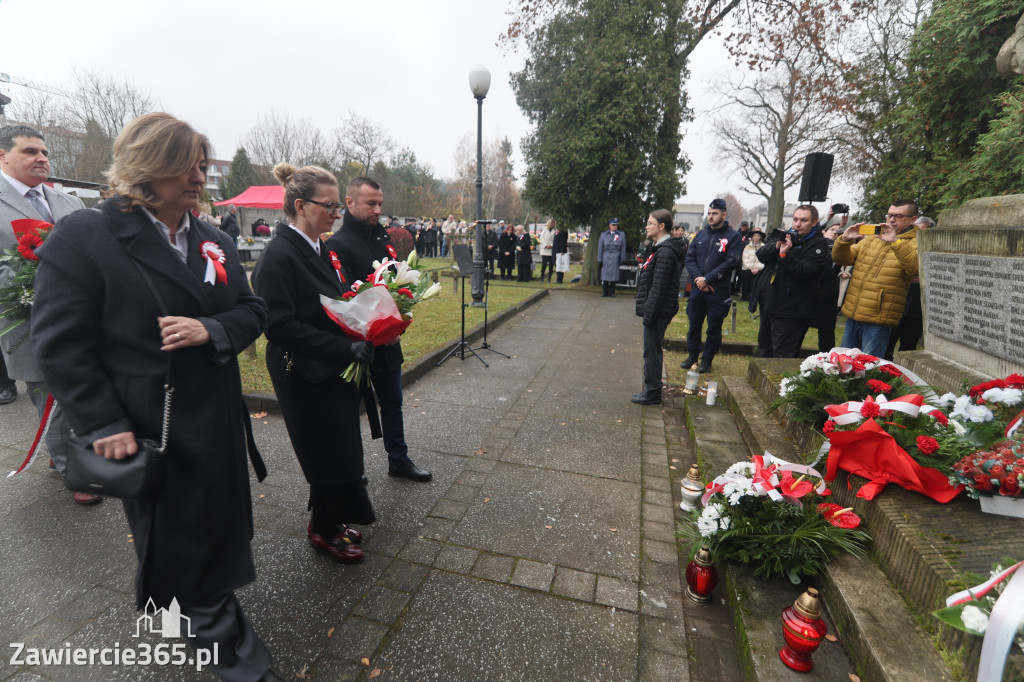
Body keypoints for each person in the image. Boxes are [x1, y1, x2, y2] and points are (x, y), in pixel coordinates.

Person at [30, 113, 280, 681]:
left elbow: (254, 310)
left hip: (215, 414)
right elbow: (60, 344)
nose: (198, 177)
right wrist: (101, 422)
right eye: (186, 164)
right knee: (182, 537)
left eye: (200, 164)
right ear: (148, 165)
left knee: (199, 527)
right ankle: (240, 661)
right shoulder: (87, 237)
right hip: (151, 420)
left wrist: (210, 330)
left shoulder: (213, 237)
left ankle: (172, 618)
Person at [253, 163, 375, 564]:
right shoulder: (279, 255)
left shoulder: (317, 246)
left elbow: (328, 302)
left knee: (340, 444)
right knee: (324, 448)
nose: (337, 213)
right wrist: (344, 349)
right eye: (331, 205)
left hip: (326, 364)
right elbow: (279, 326)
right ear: (301, 206)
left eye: (338, 205)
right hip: (303, 369)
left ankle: (332, 519)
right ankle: (323, 529)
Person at [0, 124, 95, 503]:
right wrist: (29, 274)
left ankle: (66, 455)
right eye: (29, 152)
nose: (41, 158)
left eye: (44, 152)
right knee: (49, 396)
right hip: (27, 319)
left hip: (83, 317)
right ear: (3, 155)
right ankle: (76, 472)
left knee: (81, 389)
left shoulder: (68, 202)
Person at [325, 178, 432, 482]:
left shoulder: (382, 237)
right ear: (349, 202)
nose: (378, 209)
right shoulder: (337, 244)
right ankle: (351, 471)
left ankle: (398, 459)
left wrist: (399, 320)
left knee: (393, 402)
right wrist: (375, 329)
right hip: (357, 344)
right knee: (348, 411)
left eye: (380, 203)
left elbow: (396, 284)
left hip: (388, 340)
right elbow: (344, 295)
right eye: (371, 203)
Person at [832, 199, 920, 357]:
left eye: (898, 216)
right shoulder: (874, 236)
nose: (891, 220)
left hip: (879, 317)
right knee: (843, 363)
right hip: (854, 311)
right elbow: (843, 259)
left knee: (868, 367)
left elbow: (914, 268)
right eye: (890, 215)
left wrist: (895, 242)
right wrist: (844, 241)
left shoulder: (917, 241)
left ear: (913, 219)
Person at [755, 206, 833, 358]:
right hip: (770, 303)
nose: (797, 224)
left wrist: (786, 255)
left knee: (782, 356)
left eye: (804, 220)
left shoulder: (819, 245)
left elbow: (804, 272)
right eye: (795, 219)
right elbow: (761, 255)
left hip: (793, 311)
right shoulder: (783, 236)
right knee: (765, 349)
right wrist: (776, 246)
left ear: (814, 222)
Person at [632, 209, 686, 405]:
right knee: (651, 350)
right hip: (656, 309)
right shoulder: (657, 248)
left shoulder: (664, 252)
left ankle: (653, 391)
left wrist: (649, 314)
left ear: (661, 226)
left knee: (652, 351)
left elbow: (658, 288)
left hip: (657, 311)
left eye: (650, 223)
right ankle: (651, 389)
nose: (646, 226)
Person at [683, 198, 743, 373]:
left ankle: (707, 359)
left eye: (714, 214)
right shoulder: (700, 235)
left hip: (718, 289)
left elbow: (731, 262)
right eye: (709, 213)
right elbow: (690, 258)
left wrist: (708, 279)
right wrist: (699, 280)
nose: (710, 217)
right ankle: (692, 355)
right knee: (694, 324)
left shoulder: (734, 236)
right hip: (697, 288)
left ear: (723, 215)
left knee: (714, 326)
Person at [884, 215, 934, 359]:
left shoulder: (931, 249)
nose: (918, 232)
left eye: (922, 230)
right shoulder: (901, 245)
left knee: (908, 347)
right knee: (887, 343)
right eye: (916, 228)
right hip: (897, 304)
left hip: (916, 309)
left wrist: (924, 279)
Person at [597, 218, 626, 297]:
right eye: (613, 225)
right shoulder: (603, 235)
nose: (615, 227)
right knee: (605, 275)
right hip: (606, 256)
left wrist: (623, 258)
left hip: (615, 256)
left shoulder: (621, 235)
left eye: (616, 225)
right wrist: (600, 258)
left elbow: (623, 247)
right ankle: (604, 292)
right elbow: (600, 247)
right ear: (609, 225)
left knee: (614, 275)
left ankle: (612, 292)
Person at [740, 229, 764, 301]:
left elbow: (764, 259)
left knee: (756, 284)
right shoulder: (747, 247)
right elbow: (745, 258)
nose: (756, 237)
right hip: (747, 268)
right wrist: (751, 268)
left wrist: (758, 268)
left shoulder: (764, 247)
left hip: (758, 269)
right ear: (752, 237)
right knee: (746, 284)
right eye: (755, 235)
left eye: (758, 236)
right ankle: (745, 297)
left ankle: (754, 298)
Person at [552, 219, 569, 283]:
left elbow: (563, 241)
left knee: (559, 265)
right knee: (557, 264)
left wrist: (562, 250)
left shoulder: (562, 231)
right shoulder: (558, 231)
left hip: (559, 250)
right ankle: (558, 278)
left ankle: (559, 279)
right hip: (556, 249)